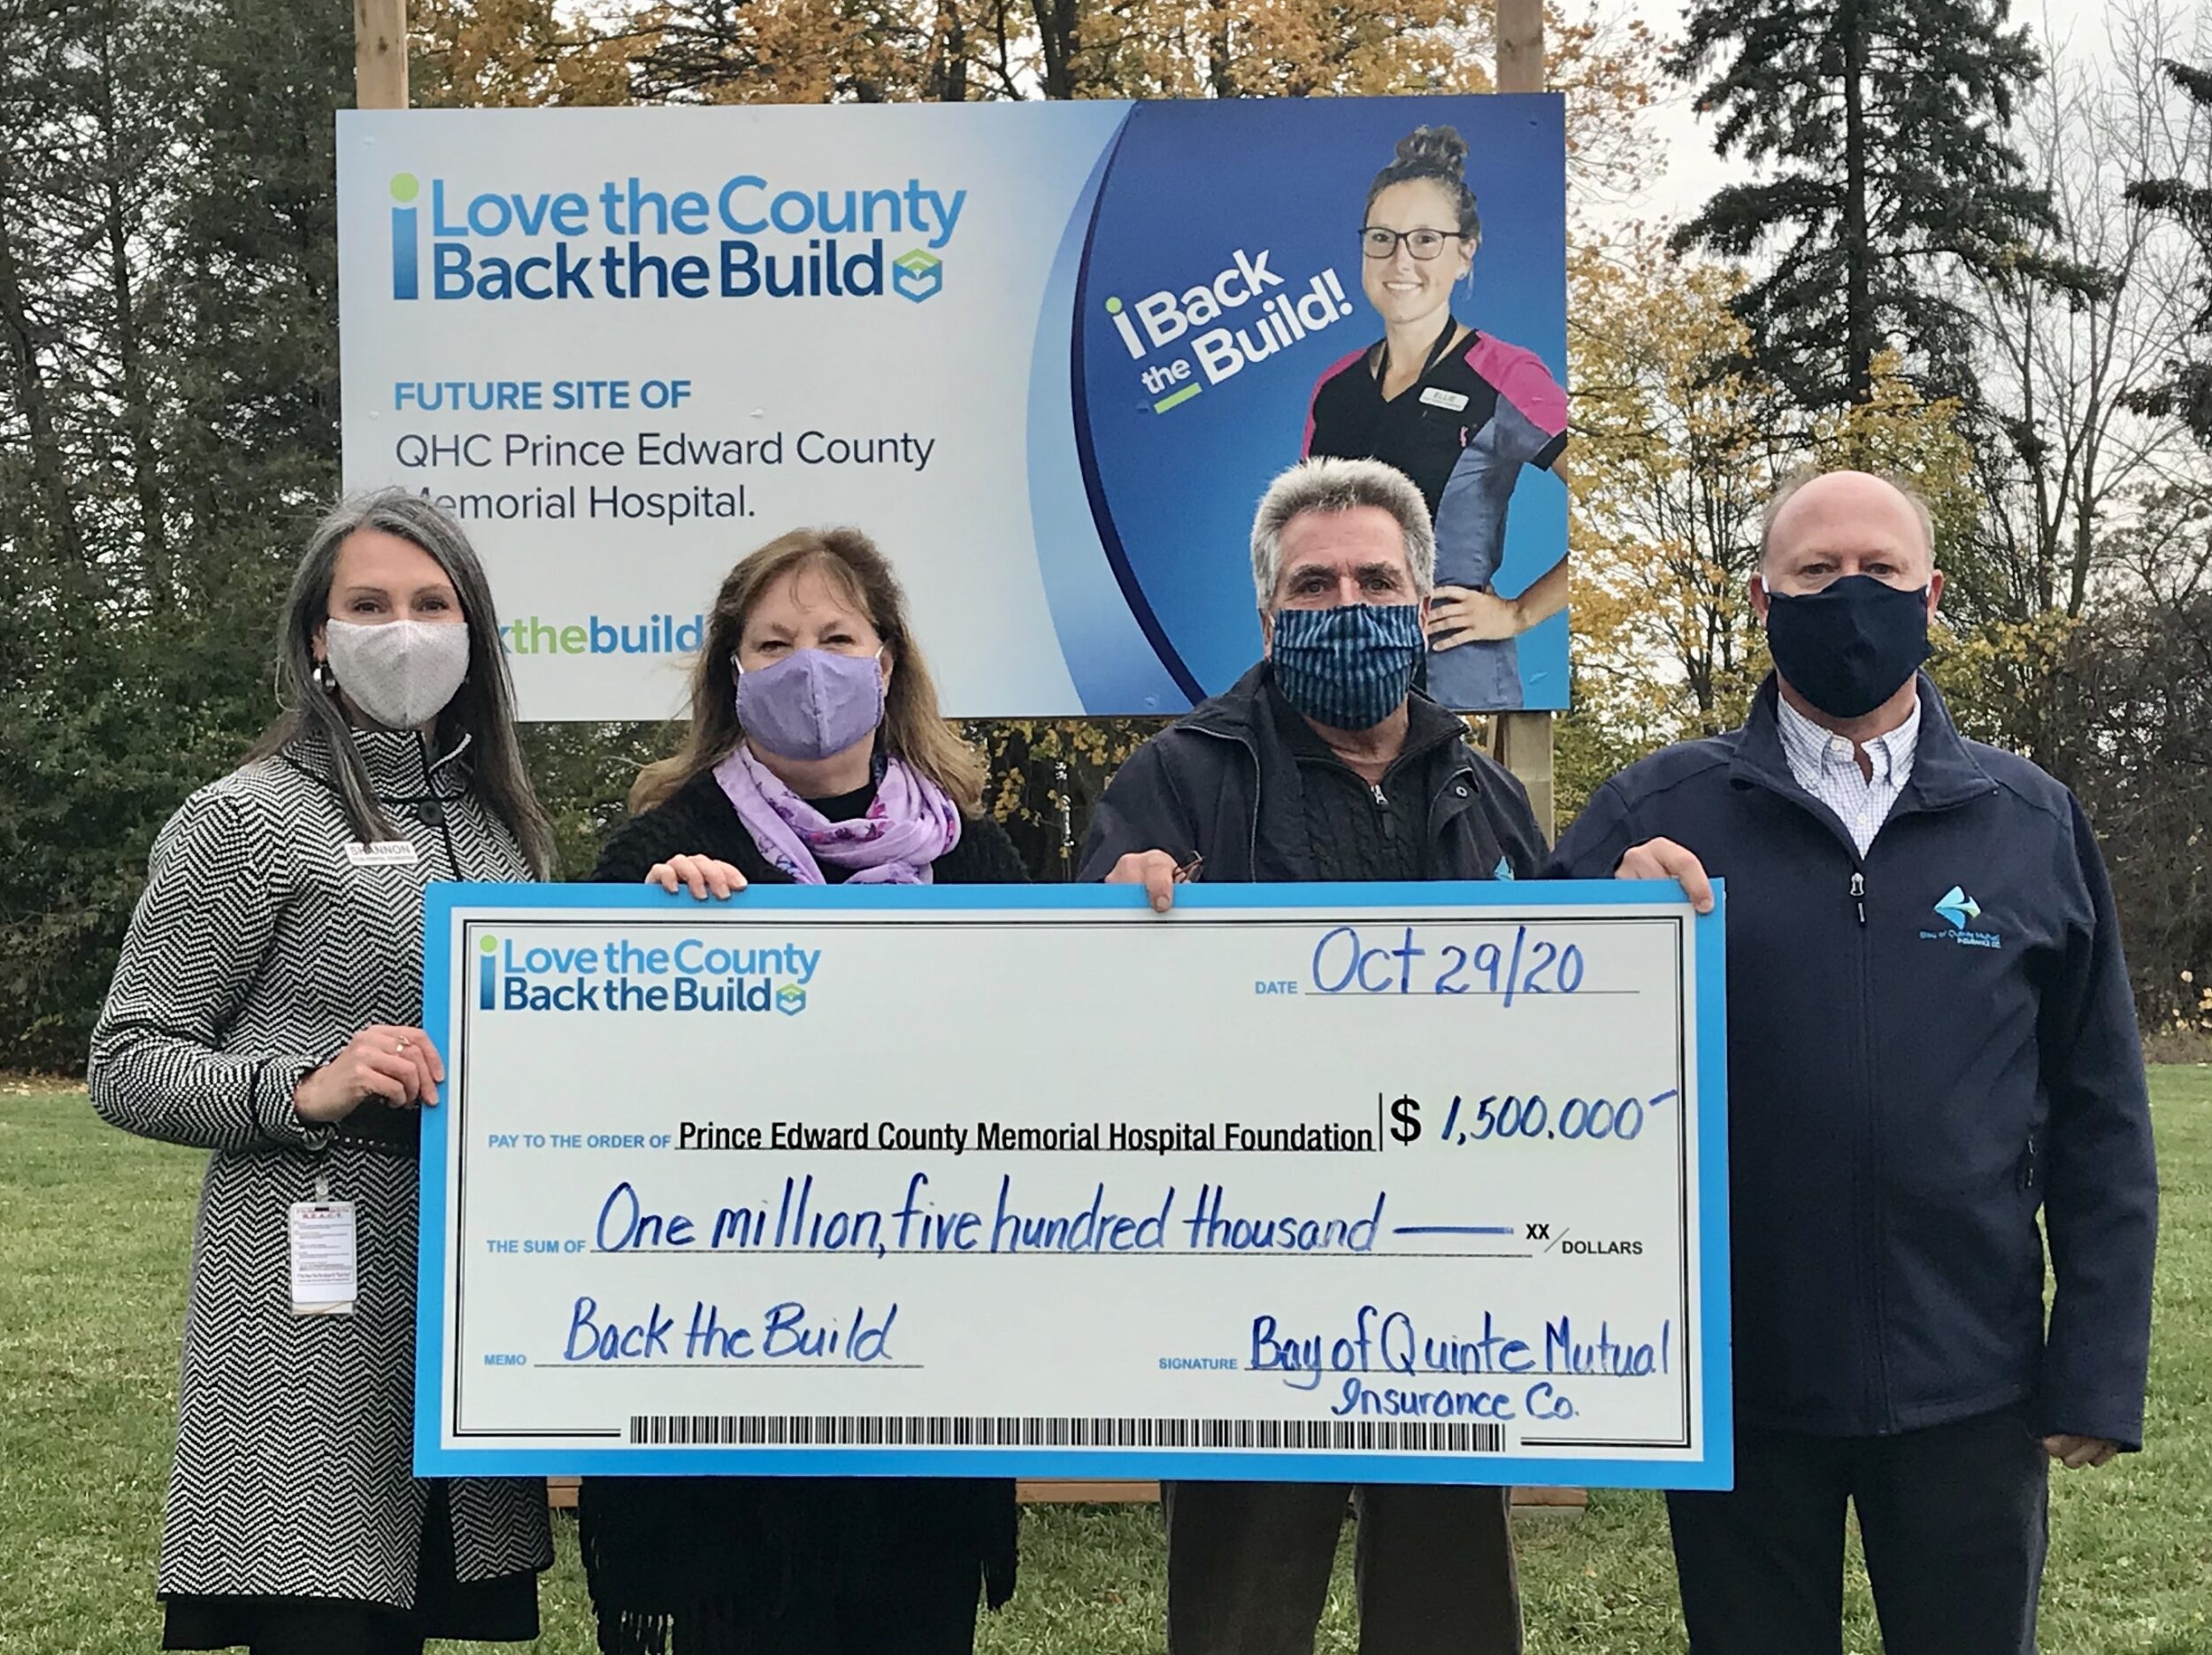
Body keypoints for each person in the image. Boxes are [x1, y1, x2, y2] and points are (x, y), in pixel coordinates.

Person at [1551, 468, 2159, 1655]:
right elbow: (1528, 1069)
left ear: (1931, 595)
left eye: (1879, 571)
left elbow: (2101, 1113)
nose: (1850, 594)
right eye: (1816, 571)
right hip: (1738, 1378)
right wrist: (1602, 939)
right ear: (1761, 595)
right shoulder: (1654, 815)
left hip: (1970, 1378)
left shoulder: (2030, 823)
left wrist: (2096, 1360)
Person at [1078, 456, 1541, 1655]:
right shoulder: (1174, 779)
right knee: (1239, 1620)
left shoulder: (1489, 796)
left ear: (1423, 595)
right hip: (1246, 1288)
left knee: (1451, 1616)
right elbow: (1081, 1030)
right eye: (1314, 584)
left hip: (1450, 1282)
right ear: (1269, 616)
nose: (1348, 603)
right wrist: (1108, 919)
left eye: (1377, 578)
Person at [88, 491, 557, 1655]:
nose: (402, 629)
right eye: (369, 604)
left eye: (431, 602)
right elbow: (127, 1059)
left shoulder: (504, 825)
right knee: (323, 1621)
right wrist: (299, 1086)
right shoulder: (243, 819)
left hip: (456, 1298)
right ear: (317, 635)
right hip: (309, 1307)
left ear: (472, 630)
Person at [576, 526, 1025, 1655]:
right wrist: (646, 940)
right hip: (715, 1407)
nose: (807, 666)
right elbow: (590, 1105)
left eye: (835, 636)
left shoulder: (980, 860)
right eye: (772, 644)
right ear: (733, 675)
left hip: (920, 1398)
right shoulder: (657, 856)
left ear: (885, 662)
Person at [1302, 125, 1569, 711]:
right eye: (1382, 238)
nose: (1401, 260)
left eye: (1425, 239)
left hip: (1457, 690)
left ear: (1465, 250)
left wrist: (1520, 612)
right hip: (1342, 681)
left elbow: (1610, 492)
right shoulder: (1336, 388)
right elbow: (1306, 540)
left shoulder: (1505, 374)